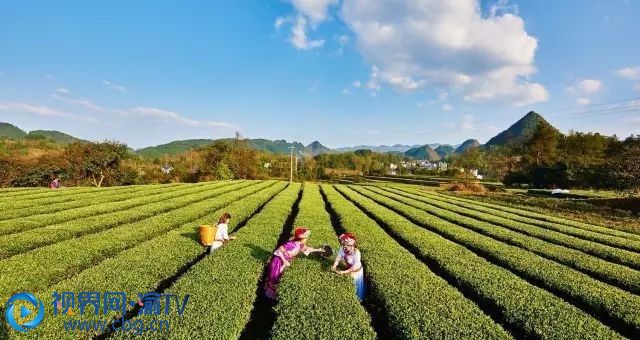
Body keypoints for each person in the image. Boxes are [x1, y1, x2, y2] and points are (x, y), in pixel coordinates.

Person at [264, 227, 323, 300]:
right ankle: (269, 297)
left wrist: (318, 250)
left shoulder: (300, 244)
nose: (306, 239)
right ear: (301, 238)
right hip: (278, 261)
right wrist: (285, 261)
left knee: (280, 277)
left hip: (285, 261)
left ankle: (275, 294)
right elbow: (279, 250)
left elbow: (308, 249)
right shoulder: (292, 244)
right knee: (275, 277)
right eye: (306, 237)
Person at [332, 233, 365, 300]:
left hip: (356, 271)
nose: (344, 247)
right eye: (343, 245)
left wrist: (343, 272)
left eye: (346, 245)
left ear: (352, 245)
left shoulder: (357, 253)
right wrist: (334, 265)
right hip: (348, 268)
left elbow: (354, 267)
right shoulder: (342, 249)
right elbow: (338, 258)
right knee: (351, 285)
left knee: (356, 285)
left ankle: (359, 299)